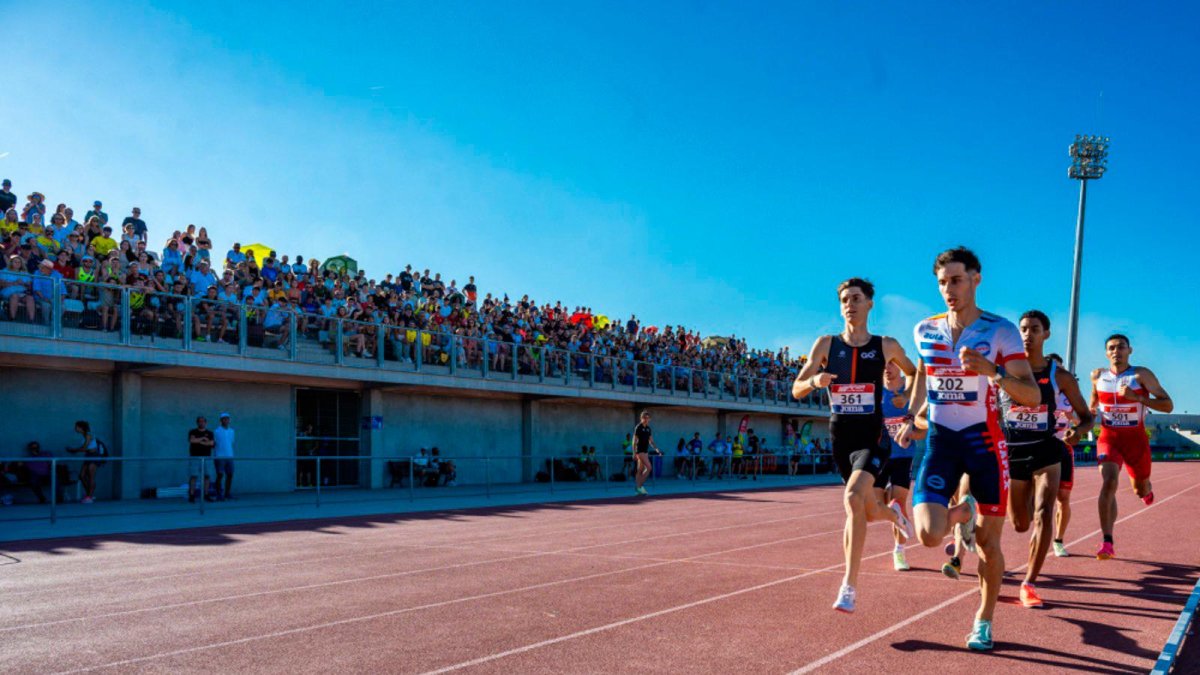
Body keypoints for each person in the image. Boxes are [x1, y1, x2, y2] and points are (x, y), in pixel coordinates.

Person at [897, 247, 1040, 651]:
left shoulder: (1001, 330)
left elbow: (1029, 394)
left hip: (984, 443)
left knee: (988, 545)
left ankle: (983, 620)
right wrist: (910, 418)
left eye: (956, 281)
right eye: (942, 282)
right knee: (926, 534)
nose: (948, 290)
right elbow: (923, 375)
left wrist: (992, 372)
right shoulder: (924, 329)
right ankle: (963, 510)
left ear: (976, 279)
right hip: (941, 441)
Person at [792, 277, 917, 614]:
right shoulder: (825, 345)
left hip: (873, 437)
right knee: (861, 509)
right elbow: (796, 388)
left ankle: (849, 586)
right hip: (840, 438)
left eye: (857, 298)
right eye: (845, 299)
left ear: (870, 304)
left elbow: (915, 373)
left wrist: (905, 395)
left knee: (851, 498)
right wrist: (815, 381)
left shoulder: (885, 344)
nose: (850, 304)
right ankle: (893, 515)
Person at [1001, 311, 1093, 608]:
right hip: (1014, 452)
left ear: (1046, 334)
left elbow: (1087, 417)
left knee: (1044, 511)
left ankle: (1029, 582)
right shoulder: (1004, 370)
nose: (1028, 334)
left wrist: (1078, 432)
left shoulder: (1059, 376)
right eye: (1023, 329)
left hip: (1047, 450)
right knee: (1019, 523)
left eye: (1034, 329)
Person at [1090, 334, 1173, 560]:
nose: (1116, 351)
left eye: (1121, 347)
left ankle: (1147, 490)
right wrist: (1085, 419)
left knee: (1140, 489)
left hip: (1136, 440)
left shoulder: (1141, 375)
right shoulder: (1098, 376)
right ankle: (1107, 541)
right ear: (1106, 353)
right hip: (1109, 438)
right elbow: (1093, 405)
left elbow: (1168, 405)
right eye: (1112, 348)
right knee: (1109, 483)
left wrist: (1138, 397)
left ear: (1130, 350)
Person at [879, 362, 922, 571]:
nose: (887, 367)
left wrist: (909, 433)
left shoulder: (911, 393)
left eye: (892, 363)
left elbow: (923, 430)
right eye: (884, 363)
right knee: (874, 506)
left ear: (900, 366)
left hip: (903, 455)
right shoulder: (876, 392)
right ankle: (892, 508)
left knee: (899, 501)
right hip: (879, 457)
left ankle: (899, 551)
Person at [1048, 353, 1077, 557]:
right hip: (1039, 447)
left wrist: (1071, 417)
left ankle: (1058, 540)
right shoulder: (1036, 390)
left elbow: (1082, 418)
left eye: (1059, 368)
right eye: (1052, 368)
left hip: (1063, 447)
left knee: (1063, 498)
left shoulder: (1069, 392)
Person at [65, 420, 105, 503]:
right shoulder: (84, 435)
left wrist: (73, 449)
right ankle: (89, 494)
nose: (75, 429)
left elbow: (84, 448)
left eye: (76, 427)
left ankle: (89, 497)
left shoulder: (88, 435)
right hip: (88, 456)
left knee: (91, 477)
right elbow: (85, 448)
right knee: (82, 476)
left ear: (80, 427)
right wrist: (74, 450)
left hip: (94, 457)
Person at [188, 416, 215, 502]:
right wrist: (203, 439)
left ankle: (206, 495)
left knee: (207, 476)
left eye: (203, 421)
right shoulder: (193, 431)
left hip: (207, 457)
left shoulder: (210, 433)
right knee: (194, 476)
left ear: (206, 423)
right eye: (200, 421)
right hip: (195, 457)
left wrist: (199, 441)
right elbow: (192, 441)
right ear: (197, 423)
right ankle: (192, 495)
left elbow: (211, 443)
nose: (201, 423)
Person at [632, 411, 660, 496]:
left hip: (645, 451)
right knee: (649, 467)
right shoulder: (638, 427)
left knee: (640, 470)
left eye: (648, 418)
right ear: (641, 418)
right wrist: (634, 453)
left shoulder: (648, 429)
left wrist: (656, 449)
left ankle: (638, 488)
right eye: (644, 418)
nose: (646, 419)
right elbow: (634, 441)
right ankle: (639, 486)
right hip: (640, 451)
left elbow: (651, 441)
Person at [212, 412, 236, 500]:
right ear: (221, 420)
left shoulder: (232, 431)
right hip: (219, 457)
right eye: (224, 419)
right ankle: (219, 494)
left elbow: (231, 442)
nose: (226, 420)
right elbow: (214, 444)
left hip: (230, 456)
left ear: (229, 420)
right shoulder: (216, 431)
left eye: (227, 419)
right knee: (220, 475)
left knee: (230, 475)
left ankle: (227, 493)